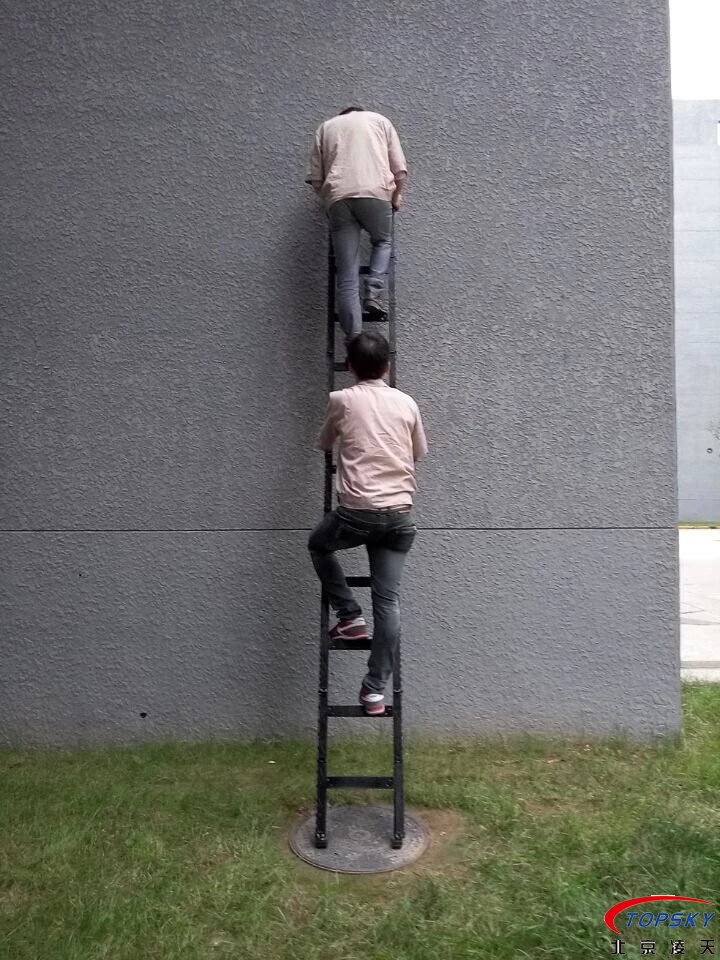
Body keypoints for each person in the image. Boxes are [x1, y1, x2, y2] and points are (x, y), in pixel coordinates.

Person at [308, 332, 427, 715]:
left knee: (319, 544)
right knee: (388, 602)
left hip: (357, 512)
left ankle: (349, 615)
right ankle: (375, 691)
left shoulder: (341, 400)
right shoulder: (407, 402)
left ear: (350, 367)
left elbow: (324, 444)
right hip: (399, 516)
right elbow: (418, 452)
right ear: (388, 367)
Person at [305, 107, 408, 343]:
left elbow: (316, 181)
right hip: (376, 193)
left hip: (338, 198)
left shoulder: (326, 127)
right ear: (362, 113)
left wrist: (330, 201)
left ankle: (354, 339)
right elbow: (400, 172)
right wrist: (397, 196)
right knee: (383, 241)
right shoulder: (380, 121)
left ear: (344, 115)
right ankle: (373, 292)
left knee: (347, 274)